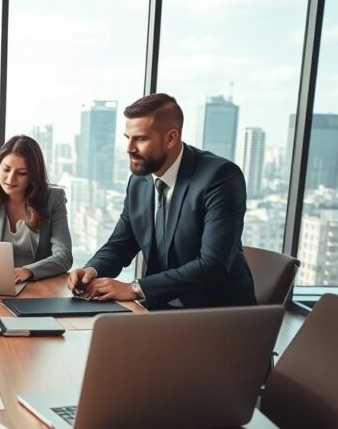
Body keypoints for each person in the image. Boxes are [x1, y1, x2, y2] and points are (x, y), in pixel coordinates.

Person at [68, 93, 256, 309]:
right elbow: (120, 244)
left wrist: (134, 288)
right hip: (158, 307)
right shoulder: (140, 181)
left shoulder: (220, 177)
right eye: (127, 137)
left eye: (140, 138)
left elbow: (212, 265)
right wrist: (92, 271)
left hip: (216, 315)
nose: (129, 148)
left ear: (170, 138)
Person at [0, 135, 73, 282]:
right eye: (6, 169)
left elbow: (64, 256)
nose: (10, 179)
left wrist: (28, 271)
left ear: (34, 175)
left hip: (38, 284)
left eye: (21, 173)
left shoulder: (53, 199)